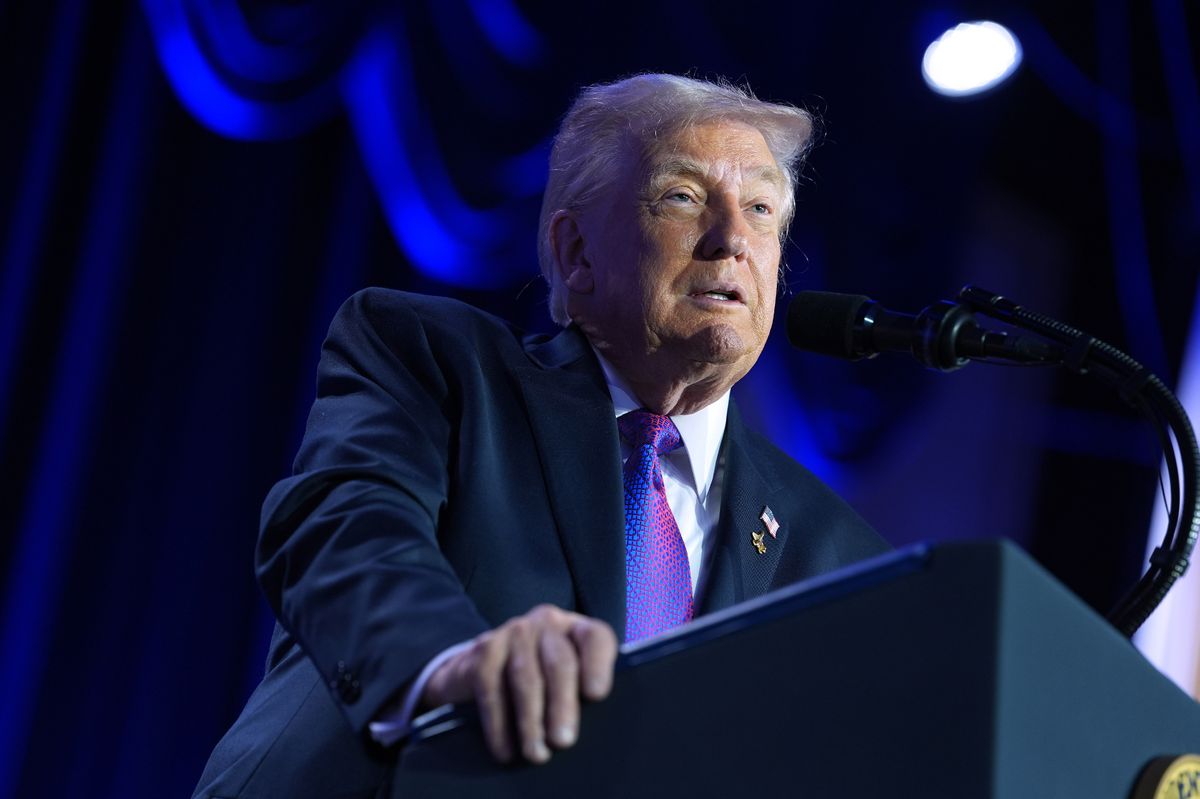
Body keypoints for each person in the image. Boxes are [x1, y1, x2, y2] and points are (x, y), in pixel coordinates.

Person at [193, 73, 888, 799]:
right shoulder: (438, 364)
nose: (732, 240)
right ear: (575, 250)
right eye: (683, 197)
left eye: (760, 209)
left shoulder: (835, 551)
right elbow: (344, 526)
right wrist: (452, 662)